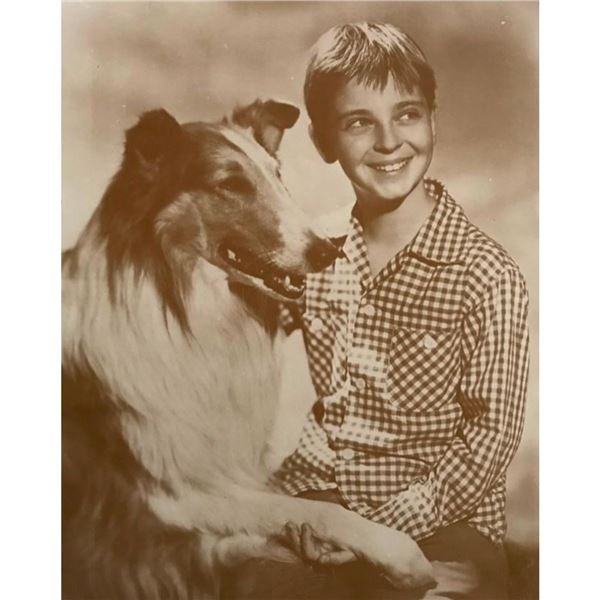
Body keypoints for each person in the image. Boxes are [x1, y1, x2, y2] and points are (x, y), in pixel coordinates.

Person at [223, 22, 529, 600]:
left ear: (433, 120)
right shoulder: (314, 253)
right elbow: (232, 322)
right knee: (243, 584)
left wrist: (379, 533)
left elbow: (489, 439)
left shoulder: (487, 275)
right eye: (359, 122)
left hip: (443, 521)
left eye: (407, 114)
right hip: (320, 502)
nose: (389, 141)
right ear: (322, 142)